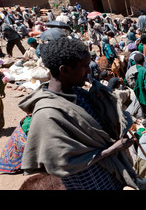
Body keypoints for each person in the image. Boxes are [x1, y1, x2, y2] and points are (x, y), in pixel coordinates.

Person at [18, 37, 139, 190]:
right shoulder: (47, 114)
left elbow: (98, 130)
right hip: (88, 182)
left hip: (111, 174)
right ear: (64, 70)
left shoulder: (79, 93)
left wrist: (103, 104)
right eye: (85, 66)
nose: (89, 70)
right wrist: (112, 149)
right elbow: (64, 163)